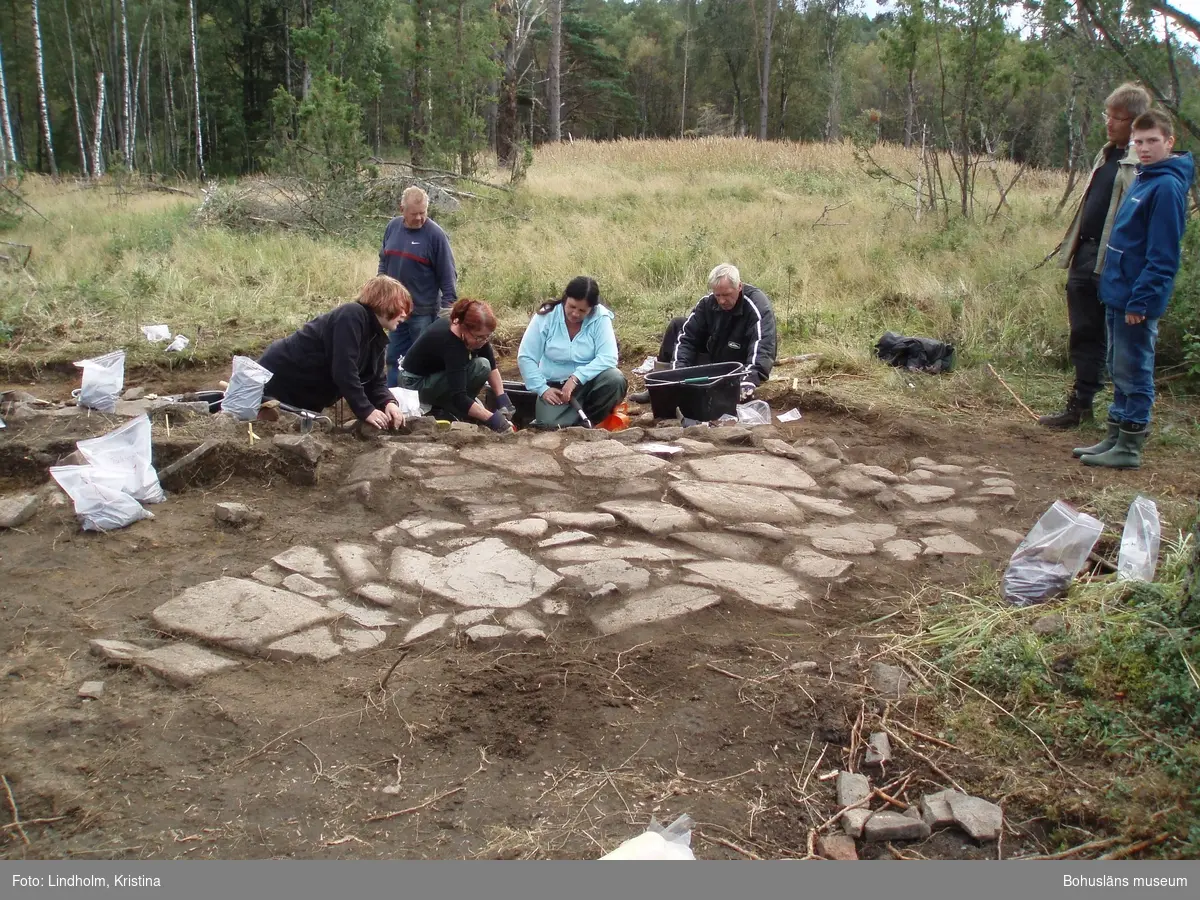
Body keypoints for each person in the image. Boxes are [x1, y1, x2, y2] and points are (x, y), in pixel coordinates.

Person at [1077, 110, 1193, 470]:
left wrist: (1141, 299)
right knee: (1117, 365)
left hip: (1136, 299)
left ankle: (1130, 443)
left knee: (1134, 368)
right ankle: (1114, 434)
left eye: (1151, 141)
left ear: (1169, 142)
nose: (1143, 148)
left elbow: (1162, 256)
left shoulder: (1168, 187)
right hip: (1117, 291)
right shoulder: (1144, 178)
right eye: (1138, 142)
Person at [1040, 83, 1152, 429]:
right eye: (1108, 115)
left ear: (1135, 122)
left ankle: (1125, 418)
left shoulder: (1139, 165)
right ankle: (1081, 404)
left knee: (1120, 342)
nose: (1109, 123)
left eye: (1117, 118)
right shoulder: (1105, 156)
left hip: (1115, 264)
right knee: (1084, 332)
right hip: (1084, 255)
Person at [258, 275, 411, 430]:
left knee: (308, 426)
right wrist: (366, 410)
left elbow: (374, 381)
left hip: (304, 396)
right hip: (278, 382)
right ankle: (265, 409)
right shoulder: (352, 314)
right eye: (402, 307)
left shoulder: (376, 337)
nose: (405, 314)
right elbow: (344, 369)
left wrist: (388, 403)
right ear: (384, 301)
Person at [629, 263, 777, 404]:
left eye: (726, 294)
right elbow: (687, 339)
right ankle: (660, 386)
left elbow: (763, 346)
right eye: (717, 295)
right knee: (678, 325)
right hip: (712, 356)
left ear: (739, 286)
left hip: (736, 365)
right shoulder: (707, 303)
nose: (722, 301)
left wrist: (750, 378)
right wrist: (677, 374)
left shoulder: (757, 306)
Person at [517, 276, 628, 429]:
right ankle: (576, 421)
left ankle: (591, 420)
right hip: (555, 387)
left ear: (592, 309)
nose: (575, 314)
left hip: (590, 383)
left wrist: (576, 378)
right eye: (571, 306)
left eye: (582, 310)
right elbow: (526, 356)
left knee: (615, 379)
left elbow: (608, 357)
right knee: (548, 425)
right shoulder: (546, 316)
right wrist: (542, 389)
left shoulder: (600, 317)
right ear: (565, 299)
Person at [378, 186, 458, 387]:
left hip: (423, 312)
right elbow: (383, 260)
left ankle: (422, 406)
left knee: (422, 362)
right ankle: (394, 401)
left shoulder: (435, 235)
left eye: (423, 212)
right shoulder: (392, 228)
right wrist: (380, 287)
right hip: (395, 310)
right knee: (393, 358)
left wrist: (448, 310)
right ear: (402, 209)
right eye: (415, 214)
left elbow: (448, 275)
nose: (420, 218)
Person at [398, 298, 515, 433]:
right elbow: (459, 397)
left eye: (487, 336)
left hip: (434, 375)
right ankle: (444, 410)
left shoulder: (473, 334)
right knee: (479, 367)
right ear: (464, 328)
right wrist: (494, 420)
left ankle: (452, 407)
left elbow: (492, 367)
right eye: (480, 337)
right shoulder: (452, 344)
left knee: (484, 365)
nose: (483, 341)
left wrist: (503, 400)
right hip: (413, 384)